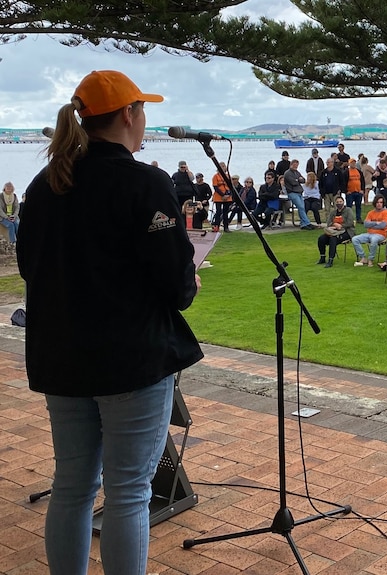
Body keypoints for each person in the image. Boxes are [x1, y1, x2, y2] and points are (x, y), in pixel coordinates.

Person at [17, 70, 202, 575]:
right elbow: (176, 283)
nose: (145, 121)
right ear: (128, 114)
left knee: (73, 485)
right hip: (130, 360)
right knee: (128, 491)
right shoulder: (145, 182)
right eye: (143, 111)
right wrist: (187, 282)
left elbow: (29, 267)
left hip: (64, 359)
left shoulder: (46, 183)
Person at [316, 195, 355, 268]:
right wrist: (335, 224)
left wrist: (341, 226)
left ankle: (330, 260)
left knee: (333, 239)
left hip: (346, 232)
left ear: (343, 202)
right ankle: (322, 257)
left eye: (340, 202)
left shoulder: (348, 210)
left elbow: (350, 223)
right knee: (321, 238)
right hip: (333, 231)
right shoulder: (333, 212)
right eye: (337, 202)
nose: (339, 203)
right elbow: (328, 222)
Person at [351, 195, 387, 267]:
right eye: (377, 202)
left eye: (381, 202)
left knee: (374, 239)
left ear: (383, 203)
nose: (379, 204)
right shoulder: (371, 213)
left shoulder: (386, 213)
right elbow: (365, 224)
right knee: (354, 239)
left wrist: (371, 224)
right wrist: (375, 223)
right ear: (375, 203)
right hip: (369, 233)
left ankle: (370, 259)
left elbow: (383, 226)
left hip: (381, 235)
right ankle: (363, 257)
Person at [211, 161, 232, 232]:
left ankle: (226, 227)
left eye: (224, 166)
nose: (223, 167)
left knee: (226, 212)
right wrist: (223, 195)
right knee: (218, 212)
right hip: (218, 197)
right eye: (221, 166)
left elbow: (231, 186)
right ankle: (217, 226)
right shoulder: (215, 176)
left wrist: (228, 194)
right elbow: (215, 187)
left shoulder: (228, 176)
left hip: (227, 197)